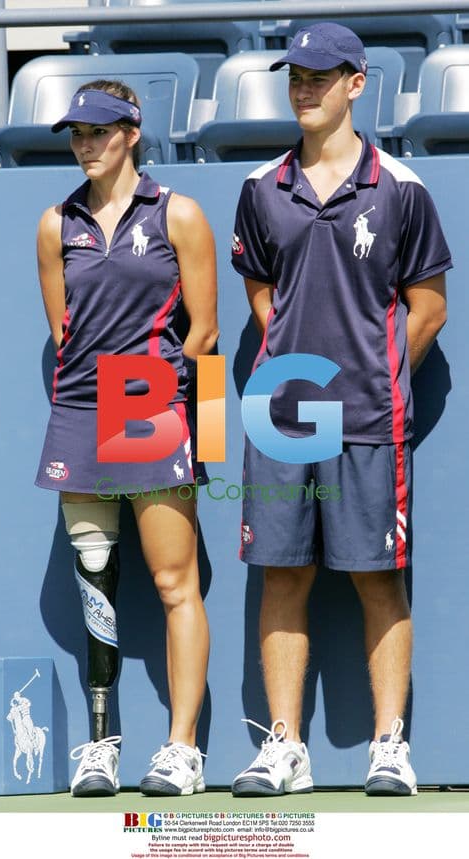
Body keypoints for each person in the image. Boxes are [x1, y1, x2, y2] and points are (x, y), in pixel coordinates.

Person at [230, 22, 450, 797]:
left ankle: (389, 745)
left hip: (369, 418)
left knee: (377, 577)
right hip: (284, 416)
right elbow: (261, 291)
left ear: (357, 84)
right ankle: (285, 747)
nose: (304, 89)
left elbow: (429, 309)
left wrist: (376, 378)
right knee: (282, 574)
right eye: (295, 76)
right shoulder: (260, 187)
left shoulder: (402, 189)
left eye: (320, 77)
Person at [35, 79, 218, 797]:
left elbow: (204, 335)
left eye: (99, 131)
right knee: (94, 584)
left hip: (152, 409)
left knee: (175, 583)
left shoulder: (181, 213)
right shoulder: (56, 224)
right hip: (82, 411)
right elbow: (65, 334)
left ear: (132, 133)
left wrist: (204, 437)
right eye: (76, 133)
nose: (86, 144)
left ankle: (182, 750)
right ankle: (101, 744)